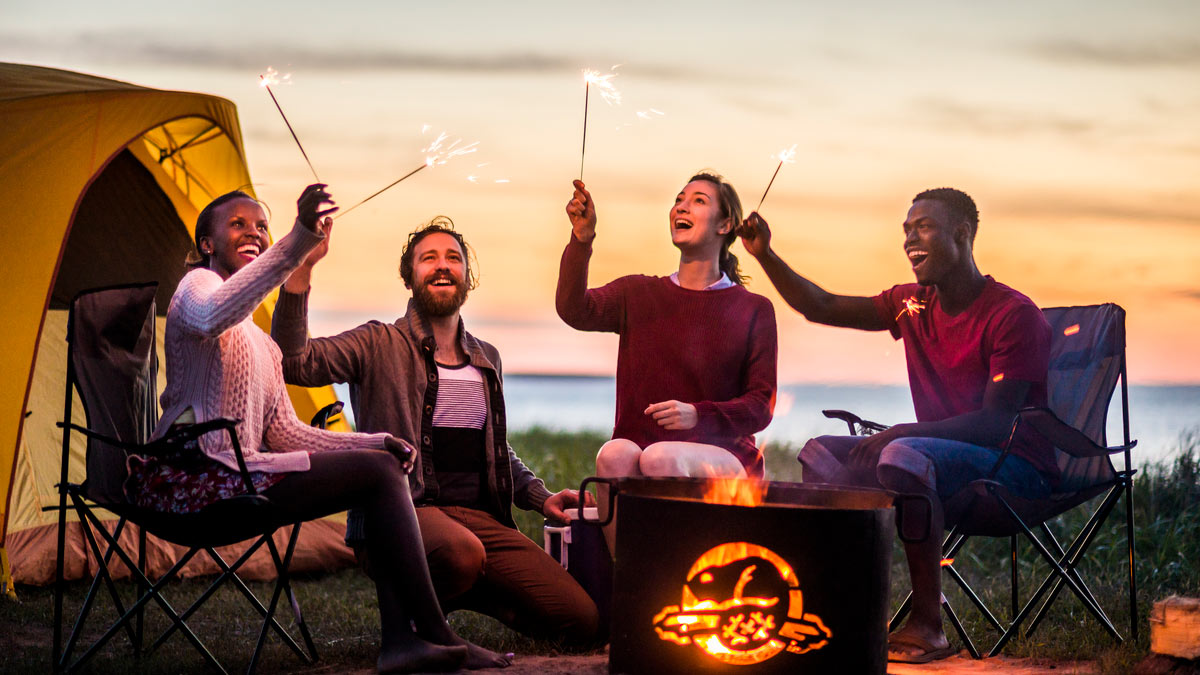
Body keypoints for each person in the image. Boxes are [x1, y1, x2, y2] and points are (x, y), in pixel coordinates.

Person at [128, 185, 511, 673]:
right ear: (207, 243)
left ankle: (402, 642)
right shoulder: (194, 290)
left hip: (242, 477)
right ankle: (432, 633)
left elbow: (286, 432)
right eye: (238, 224)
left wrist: (376, 443)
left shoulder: (262, 344)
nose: (254, 232)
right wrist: (299, 240)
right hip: (192, 481)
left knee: (380, 468)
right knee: (377, 475)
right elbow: (212, 316)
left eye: (261, 226)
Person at [739, 187, 1056, 664]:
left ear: (962, 234)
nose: (910, 239)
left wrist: (900, 434)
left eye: (923, 227)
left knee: (902, 455)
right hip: (932, 462)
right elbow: (821, 306)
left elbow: (995, 425)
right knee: (821, 454)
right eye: (906, 230)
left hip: (1016, 470)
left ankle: (929, 624)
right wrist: (765, 255)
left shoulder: (1012, 315)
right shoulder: (913, 304)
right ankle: (836, 609)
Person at [270, 217, 600, 647]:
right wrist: (302, 269)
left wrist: (542, 498)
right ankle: (416, 621)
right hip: (400, 518)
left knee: (581, 621)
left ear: (467, 277)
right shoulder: (377, 343)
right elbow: (295, 361)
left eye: (453, 258)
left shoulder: (487, 359)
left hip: (480, 523)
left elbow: (495, 450)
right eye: (428, 258)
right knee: (461, 552)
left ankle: (473, 590)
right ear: (410, 277)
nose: (442, 266)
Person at [557, 172, 778, 554]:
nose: (681, 205)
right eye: (679, 199)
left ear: (726, 225)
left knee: (661, 457)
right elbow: (574, 309)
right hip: (646, 458)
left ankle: (677, 589)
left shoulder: (753, 309)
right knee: (614, 454)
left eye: (699, 200)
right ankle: (630, 582)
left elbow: (761, 405)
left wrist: (698, 415)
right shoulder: (638, 293)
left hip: (728, 465)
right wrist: (582, 240)